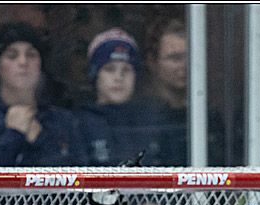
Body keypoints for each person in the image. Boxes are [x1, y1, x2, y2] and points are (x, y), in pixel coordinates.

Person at [0, 22, 85, 166]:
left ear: (40, 64)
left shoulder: (63, 120)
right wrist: (14, 134)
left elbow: (79, 176)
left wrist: (40, 138)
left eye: (31, 55)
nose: (23, 62)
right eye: (12, 56)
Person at [74, 28, 166, 166]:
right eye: (110, 69)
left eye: (126, 70)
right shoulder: (78, 123)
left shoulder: (152, 122)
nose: (118, 77)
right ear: (95, 75)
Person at [144, 17, 226, 166]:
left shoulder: (208, 117)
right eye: (175, 58)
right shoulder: (140, 117)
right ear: (152, 61)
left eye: (190, 57)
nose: (184, 65)